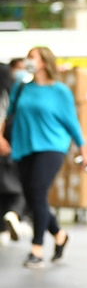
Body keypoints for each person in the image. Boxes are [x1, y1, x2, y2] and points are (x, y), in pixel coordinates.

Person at [0, 47, 87, 268]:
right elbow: (8, 114)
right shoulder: (21, 88)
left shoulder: (60, 91)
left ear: (44, 62)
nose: (28, 61)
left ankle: (37, 249)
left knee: (37, 191)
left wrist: (83, 150)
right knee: (33, 196)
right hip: (24, 147)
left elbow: (71, 122)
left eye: (32, 57)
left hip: (52, 147)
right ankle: (59, 234)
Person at [0, 60, 28, 247]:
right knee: (18, 185)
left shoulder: (16, 92)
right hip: (10, 145)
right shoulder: (9, 93)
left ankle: (9, 221)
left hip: (12, 143)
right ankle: (14, 215)